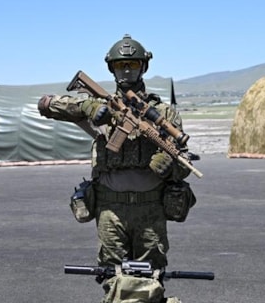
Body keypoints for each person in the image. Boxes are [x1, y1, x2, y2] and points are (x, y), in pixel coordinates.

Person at [38, 34, 193, 270]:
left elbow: (185, 161)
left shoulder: (163, 114)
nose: (127, 71)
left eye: (133, 64)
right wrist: (87, 106)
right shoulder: (102, 107)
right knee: (111, 273)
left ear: (143, 67)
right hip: (110, 209)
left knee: (151, 274)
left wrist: (170, 165)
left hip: (150, 209)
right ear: (112, 69)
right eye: (121, 65)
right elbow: (46, 104)